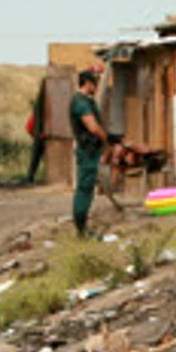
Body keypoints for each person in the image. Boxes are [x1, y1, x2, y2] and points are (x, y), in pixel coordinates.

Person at [69, 66, 110, 237]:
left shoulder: (86, 100)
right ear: (86, 83)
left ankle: (82, 226)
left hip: (91, 150)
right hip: (88, 150)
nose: (97, 86)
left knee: (87, 188)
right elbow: (92, 127)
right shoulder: (81, 102)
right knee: (85, 189)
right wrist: (106, 139)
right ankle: (81, 227)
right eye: (95, 82)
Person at [23, 78, 48, 185]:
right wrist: (41, 131)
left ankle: (30, 177)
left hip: (39, 130)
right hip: (40, 131)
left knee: (36, 155)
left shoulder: (42, 99)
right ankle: (30, 177)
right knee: (37, 154)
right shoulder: (44, 100)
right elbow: (39, 116)